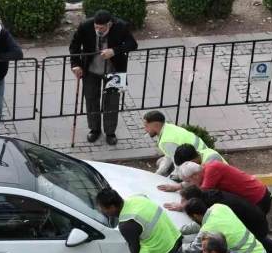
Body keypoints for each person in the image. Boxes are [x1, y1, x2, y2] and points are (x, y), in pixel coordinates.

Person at [171, 184, 272, 253]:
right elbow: (199, 224)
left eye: (183, 201)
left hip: (254, 222)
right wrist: (179, 230)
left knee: (253, 243)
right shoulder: (209, 203)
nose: (181, 203)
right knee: (251, 240)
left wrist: (173, 245)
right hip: (253, 216)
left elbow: (195, 244)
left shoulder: (212, 209)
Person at [69, 10, 138, 146]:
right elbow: (74, 46)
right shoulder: (85, 25)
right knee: (91, 98)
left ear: (110, 24)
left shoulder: (122, 26)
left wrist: (114, 51)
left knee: (112, 102)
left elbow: (132, 44)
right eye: (96, 27)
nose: (98, 30)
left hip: (115, 70)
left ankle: (110, 132)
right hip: (90, 69)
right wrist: (75, 65)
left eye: (101, 28)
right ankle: (94, 129)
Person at [142, 110, 207, 179]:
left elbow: (178, 167)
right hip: (199, 155)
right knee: (160, 162)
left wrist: (168, 180)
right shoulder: (167, 128)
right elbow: (169, 156)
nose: (145, 129)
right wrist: (157, 175)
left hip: (198, 163)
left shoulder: (168, 141)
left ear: (155, 126)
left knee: (174, 177)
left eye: (146, 126)